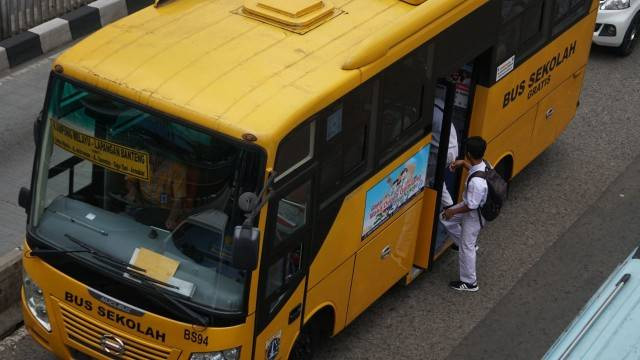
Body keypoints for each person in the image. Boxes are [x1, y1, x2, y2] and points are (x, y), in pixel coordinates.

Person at [440, 136, 488, 292]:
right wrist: (462, 164)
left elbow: (470, 206)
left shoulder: (476, 183)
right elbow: (475, 170)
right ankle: (466, 243)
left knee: (467, 246)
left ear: (468, 153)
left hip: (474, 215)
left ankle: (469, 282)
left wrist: (452, 210)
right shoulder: (484, 164)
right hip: (472, 207)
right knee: (446, 219)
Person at [125, 150, 188, 230]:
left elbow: (179, 199)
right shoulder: (140, 157)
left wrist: (171, 218)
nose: (154, 158)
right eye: (152, 153)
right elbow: (129, 180)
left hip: (164, 210)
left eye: (159, 154)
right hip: (142, 204)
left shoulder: (177, 167)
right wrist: (132, 191)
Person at [428, 95, 459, 208]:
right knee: (436, 177)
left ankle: (447, 207)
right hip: (452, 147)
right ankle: (448, 206)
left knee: (425, 177)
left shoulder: (430, 113)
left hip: (443, 153)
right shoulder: (438, 101)